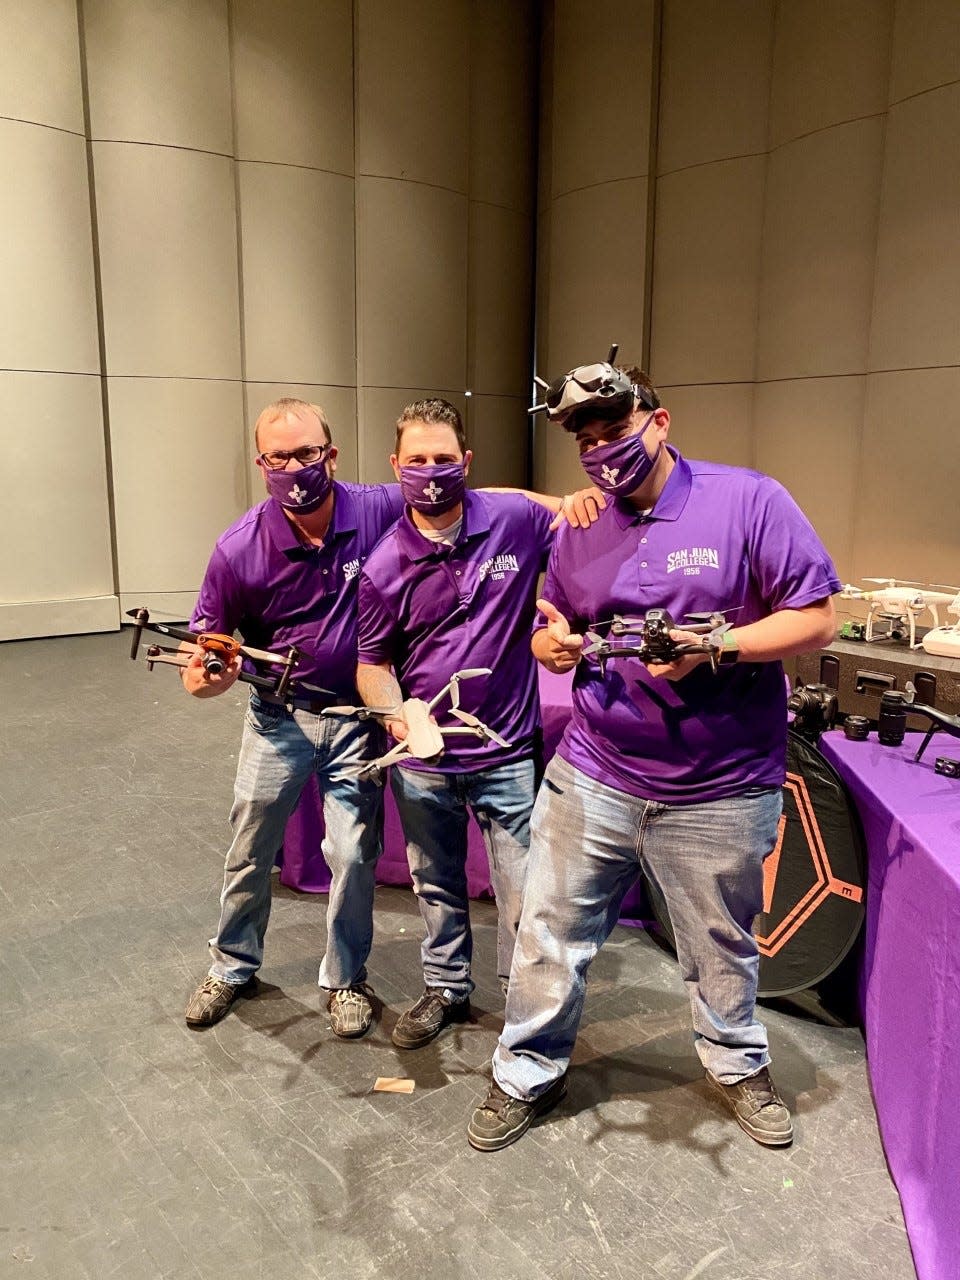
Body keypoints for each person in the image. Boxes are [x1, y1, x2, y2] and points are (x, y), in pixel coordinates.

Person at [466, 357, 840, 1151]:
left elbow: (817, 619)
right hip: (595, 770)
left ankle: (737, 1064)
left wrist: (723, 646)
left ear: (660, 422)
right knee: (549, 932)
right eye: (588, 439)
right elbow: (552, 615)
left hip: (722, 785)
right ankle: (524, 1069)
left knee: (722, 941)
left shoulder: (749, 500)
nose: (604, 449)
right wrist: (551, 643)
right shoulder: (580, 525)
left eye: (618, 429)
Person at [355, 398, 600, 1049]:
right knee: (434, 886)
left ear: (467, 463)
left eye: (443, 459)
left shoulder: (513, 520)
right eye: (416, 461)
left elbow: (581, 530)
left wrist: (574, 502)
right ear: (395, 466)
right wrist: (394, 715)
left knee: (525, 893)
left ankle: (524, 1009)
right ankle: (445, 991)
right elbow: (372, 664)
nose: (430, 472)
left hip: (507, 756)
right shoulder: (382, 568)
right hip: (424, 765)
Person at [182, 398, 404, 1037]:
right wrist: (208, 677)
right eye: (280, 456)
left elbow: (465, 496)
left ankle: (345, 979)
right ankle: (231, 964)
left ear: (331, 454)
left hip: (358, 721)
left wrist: (560, 506)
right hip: (278, 721)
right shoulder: (237, 550)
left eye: (308, 453)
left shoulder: (378, 508)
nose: (296, 466)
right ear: (262, 464)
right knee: (249, 846)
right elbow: (204, 665)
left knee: (355, 854)